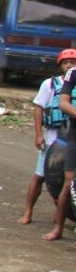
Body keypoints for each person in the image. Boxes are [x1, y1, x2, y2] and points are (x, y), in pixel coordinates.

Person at [23, 50, 76, 225]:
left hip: (70, 134)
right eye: (66, 62)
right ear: (60, 65)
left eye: (72, 62)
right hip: (53, 136)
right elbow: (39, 108)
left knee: (64, 179)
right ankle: (28, 211)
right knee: (41, 175)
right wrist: (39, 134)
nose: (69, 65)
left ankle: (61, 214)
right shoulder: (50, 84)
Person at [44, 59, 76, 241]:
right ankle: (59, 227)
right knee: (69, 183)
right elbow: (63, 103)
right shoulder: (73, 73)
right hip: (74, 136)